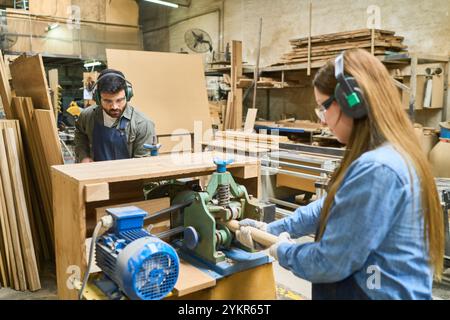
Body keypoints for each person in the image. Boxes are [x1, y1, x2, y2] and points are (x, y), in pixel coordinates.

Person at [236, 49, 444, 300]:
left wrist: (281, 250)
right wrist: (272, 228)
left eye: (323, 108)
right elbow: (329, 206)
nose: (322, 121)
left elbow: (329, 262)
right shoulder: (383, 154)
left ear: (351, 102)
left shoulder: (378, 169)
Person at [75, 69, 156, 163]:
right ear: (97, 98)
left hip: (128, 175)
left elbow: (142, 164)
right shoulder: (87, 116)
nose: (114, 107)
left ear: (128, 95)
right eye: (107, 101)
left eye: (119, 100)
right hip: (95, 174)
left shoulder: (142, 124)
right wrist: (83, 156)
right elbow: (80, 135)